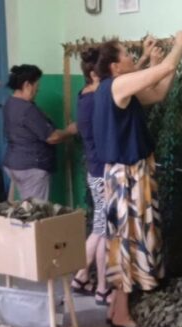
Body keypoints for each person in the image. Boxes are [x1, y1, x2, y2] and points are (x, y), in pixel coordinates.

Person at [92, 31, 182, 327]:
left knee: (126, 241)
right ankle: (121, 313)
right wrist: (180, 44)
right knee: (127, 243)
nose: (132, 57)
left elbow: (157, 93)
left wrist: (154, 62)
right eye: (126, 54)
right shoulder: (117, 85)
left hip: (127, 175)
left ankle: (116, 308)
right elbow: (166, 69)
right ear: (114, 66)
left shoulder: (115, 88)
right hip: (127, 177)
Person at [71, 47, 113, 307]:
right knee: (102, 231)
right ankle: (100, 288)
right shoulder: (96, 99)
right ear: (96, 74)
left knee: (100, 227)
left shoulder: (85, 94)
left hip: (94, 170)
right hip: (102, 173)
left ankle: (83, 276)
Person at [3, 64, 77, 201]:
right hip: (31, 167)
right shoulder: (27, 109)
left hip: (14, 164)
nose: (37, 90)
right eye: (36, 86)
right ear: (27, 85)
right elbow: (52, 137)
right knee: (36, 210)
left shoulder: (10, 103)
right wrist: (70, 131)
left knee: (26, 206)